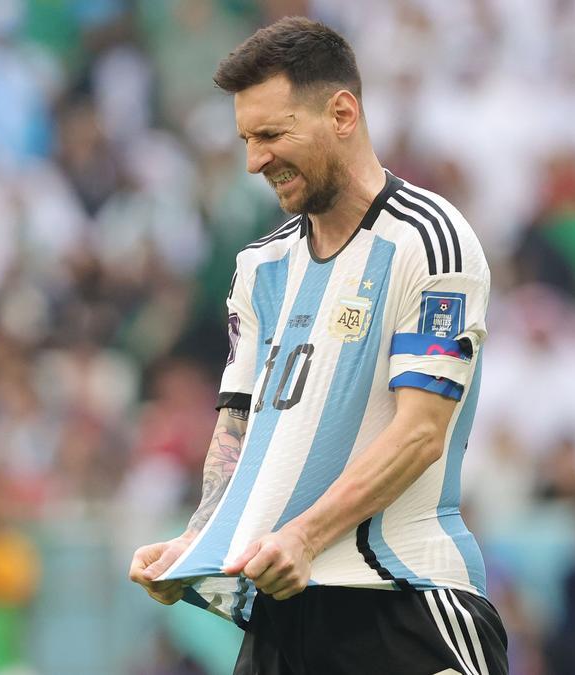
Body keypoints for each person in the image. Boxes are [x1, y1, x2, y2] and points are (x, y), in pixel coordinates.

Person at [129, 16, 508, 675]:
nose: (255, 160)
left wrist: (305, 535)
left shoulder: (430, 239)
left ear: (341, 113)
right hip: (286, 615)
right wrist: (198, 540)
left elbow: (421, 433)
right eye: (247, 139)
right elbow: (239, 428)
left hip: (404, 600)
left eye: (272, 134)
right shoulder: (260, 267)